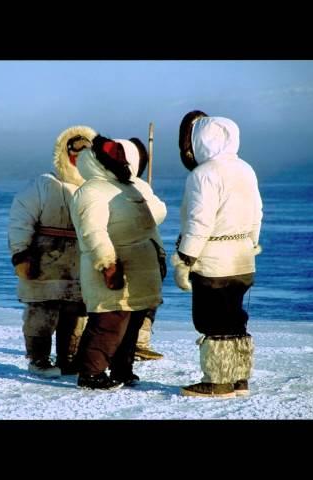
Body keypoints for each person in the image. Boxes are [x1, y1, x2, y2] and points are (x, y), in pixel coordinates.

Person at [171, 111, 263, 398]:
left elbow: (200, 221)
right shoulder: (246, 169)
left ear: (201, 141)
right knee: (236, 318)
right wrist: (250, 244)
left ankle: (217, 381)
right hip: (243, 258)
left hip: (213, 261)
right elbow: (257, 213)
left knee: (211, 320)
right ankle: (240, 379)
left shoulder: (203, 174)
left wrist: (185, 259)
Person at [70, 135, 167, 390]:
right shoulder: (91, 191)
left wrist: (159, 255)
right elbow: (93, 231)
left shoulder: (128, 187)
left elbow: (152, 219)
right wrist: (108, 264)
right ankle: (90, 374)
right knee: (108, 321)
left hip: (139, 267)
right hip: (114, 266)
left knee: (132, 321)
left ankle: (122, 369)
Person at [7, 126, 95, 377]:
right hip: (44, 262)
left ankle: (69, 359)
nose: (80, 157)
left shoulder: (96, 188)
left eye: (87, 152)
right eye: (75, 151)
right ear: (64, 153)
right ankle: (38, 359)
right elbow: (20, 220)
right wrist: (21, 254)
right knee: (41, 312)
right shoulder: (42, 185)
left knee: (76, 312)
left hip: (81, 262)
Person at [127, 139, 166, 362]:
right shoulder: (138, 187)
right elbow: (158, 213)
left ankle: (136, 341)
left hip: (138, 250)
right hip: (143, 251)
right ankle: (138, 342)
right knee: (145, 297)